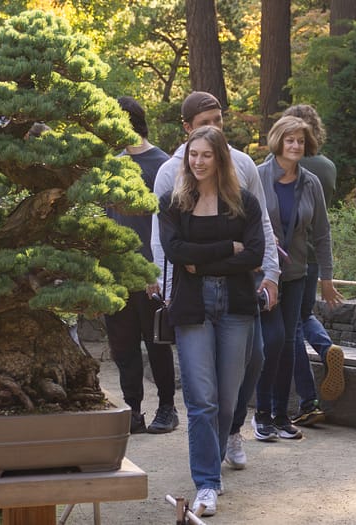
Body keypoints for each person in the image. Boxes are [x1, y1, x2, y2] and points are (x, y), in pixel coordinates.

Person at [150, 91, 280, 470]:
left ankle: (232, 428)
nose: (213, 129)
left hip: (241, 296)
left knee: (250, 364)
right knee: (202, 397)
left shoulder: (243, 168)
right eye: (205, 124)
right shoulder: (169, 178)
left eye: (218, 121)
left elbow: (260, 235)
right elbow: (168, 243)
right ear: (188, 129)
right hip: (192, 298)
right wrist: (168, 282)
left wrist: (270, 273)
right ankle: (209, 472)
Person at [157, 125, 265, 517]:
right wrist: (225, 248)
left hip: (236, 304)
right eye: (192, 154)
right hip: (192, 307)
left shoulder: (245, 203)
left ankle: (214, 460)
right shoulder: (175, 203)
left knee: (227, 398)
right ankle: (207, 482)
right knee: (202, 400)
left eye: (205, 154)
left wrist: (199, 260)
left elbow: (253, 254)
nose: (198, 162)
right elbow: (173, 250)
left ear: (220, 157)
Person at [252, 115, 343, 442]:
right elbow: (242, 220)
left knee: (289, 345)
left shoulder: (311, 183)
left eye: (300, 141)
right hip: (262, 275)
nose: (295, 146)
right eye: (290, 140)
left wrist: (327, 278)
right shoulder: (258, 176)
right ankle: (261, 414)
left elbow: (322, 234)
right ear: (278, 141)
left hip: (296, 274)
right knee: (272, 341)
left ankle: (280, 415)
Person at [104, 96, 179, 434]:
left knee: (157, 343)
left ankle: (167, 407)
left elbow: (168, 224)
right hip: (116, 274)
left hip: (151, 274)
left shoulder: (162, 164)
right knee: (123, 346)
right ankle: (133, 409)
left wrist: (157, 272)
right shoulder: (111, 165)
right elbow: (106, 219)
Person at [282, 104, 345, 426]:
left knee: (291, 327)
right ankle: (326, 346)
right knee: (304, 315)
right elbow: (322, 226)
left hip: (286, 259)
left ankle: (307, 401)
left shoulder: (282, 167)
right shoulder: (328, 167)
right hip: (312, 258)